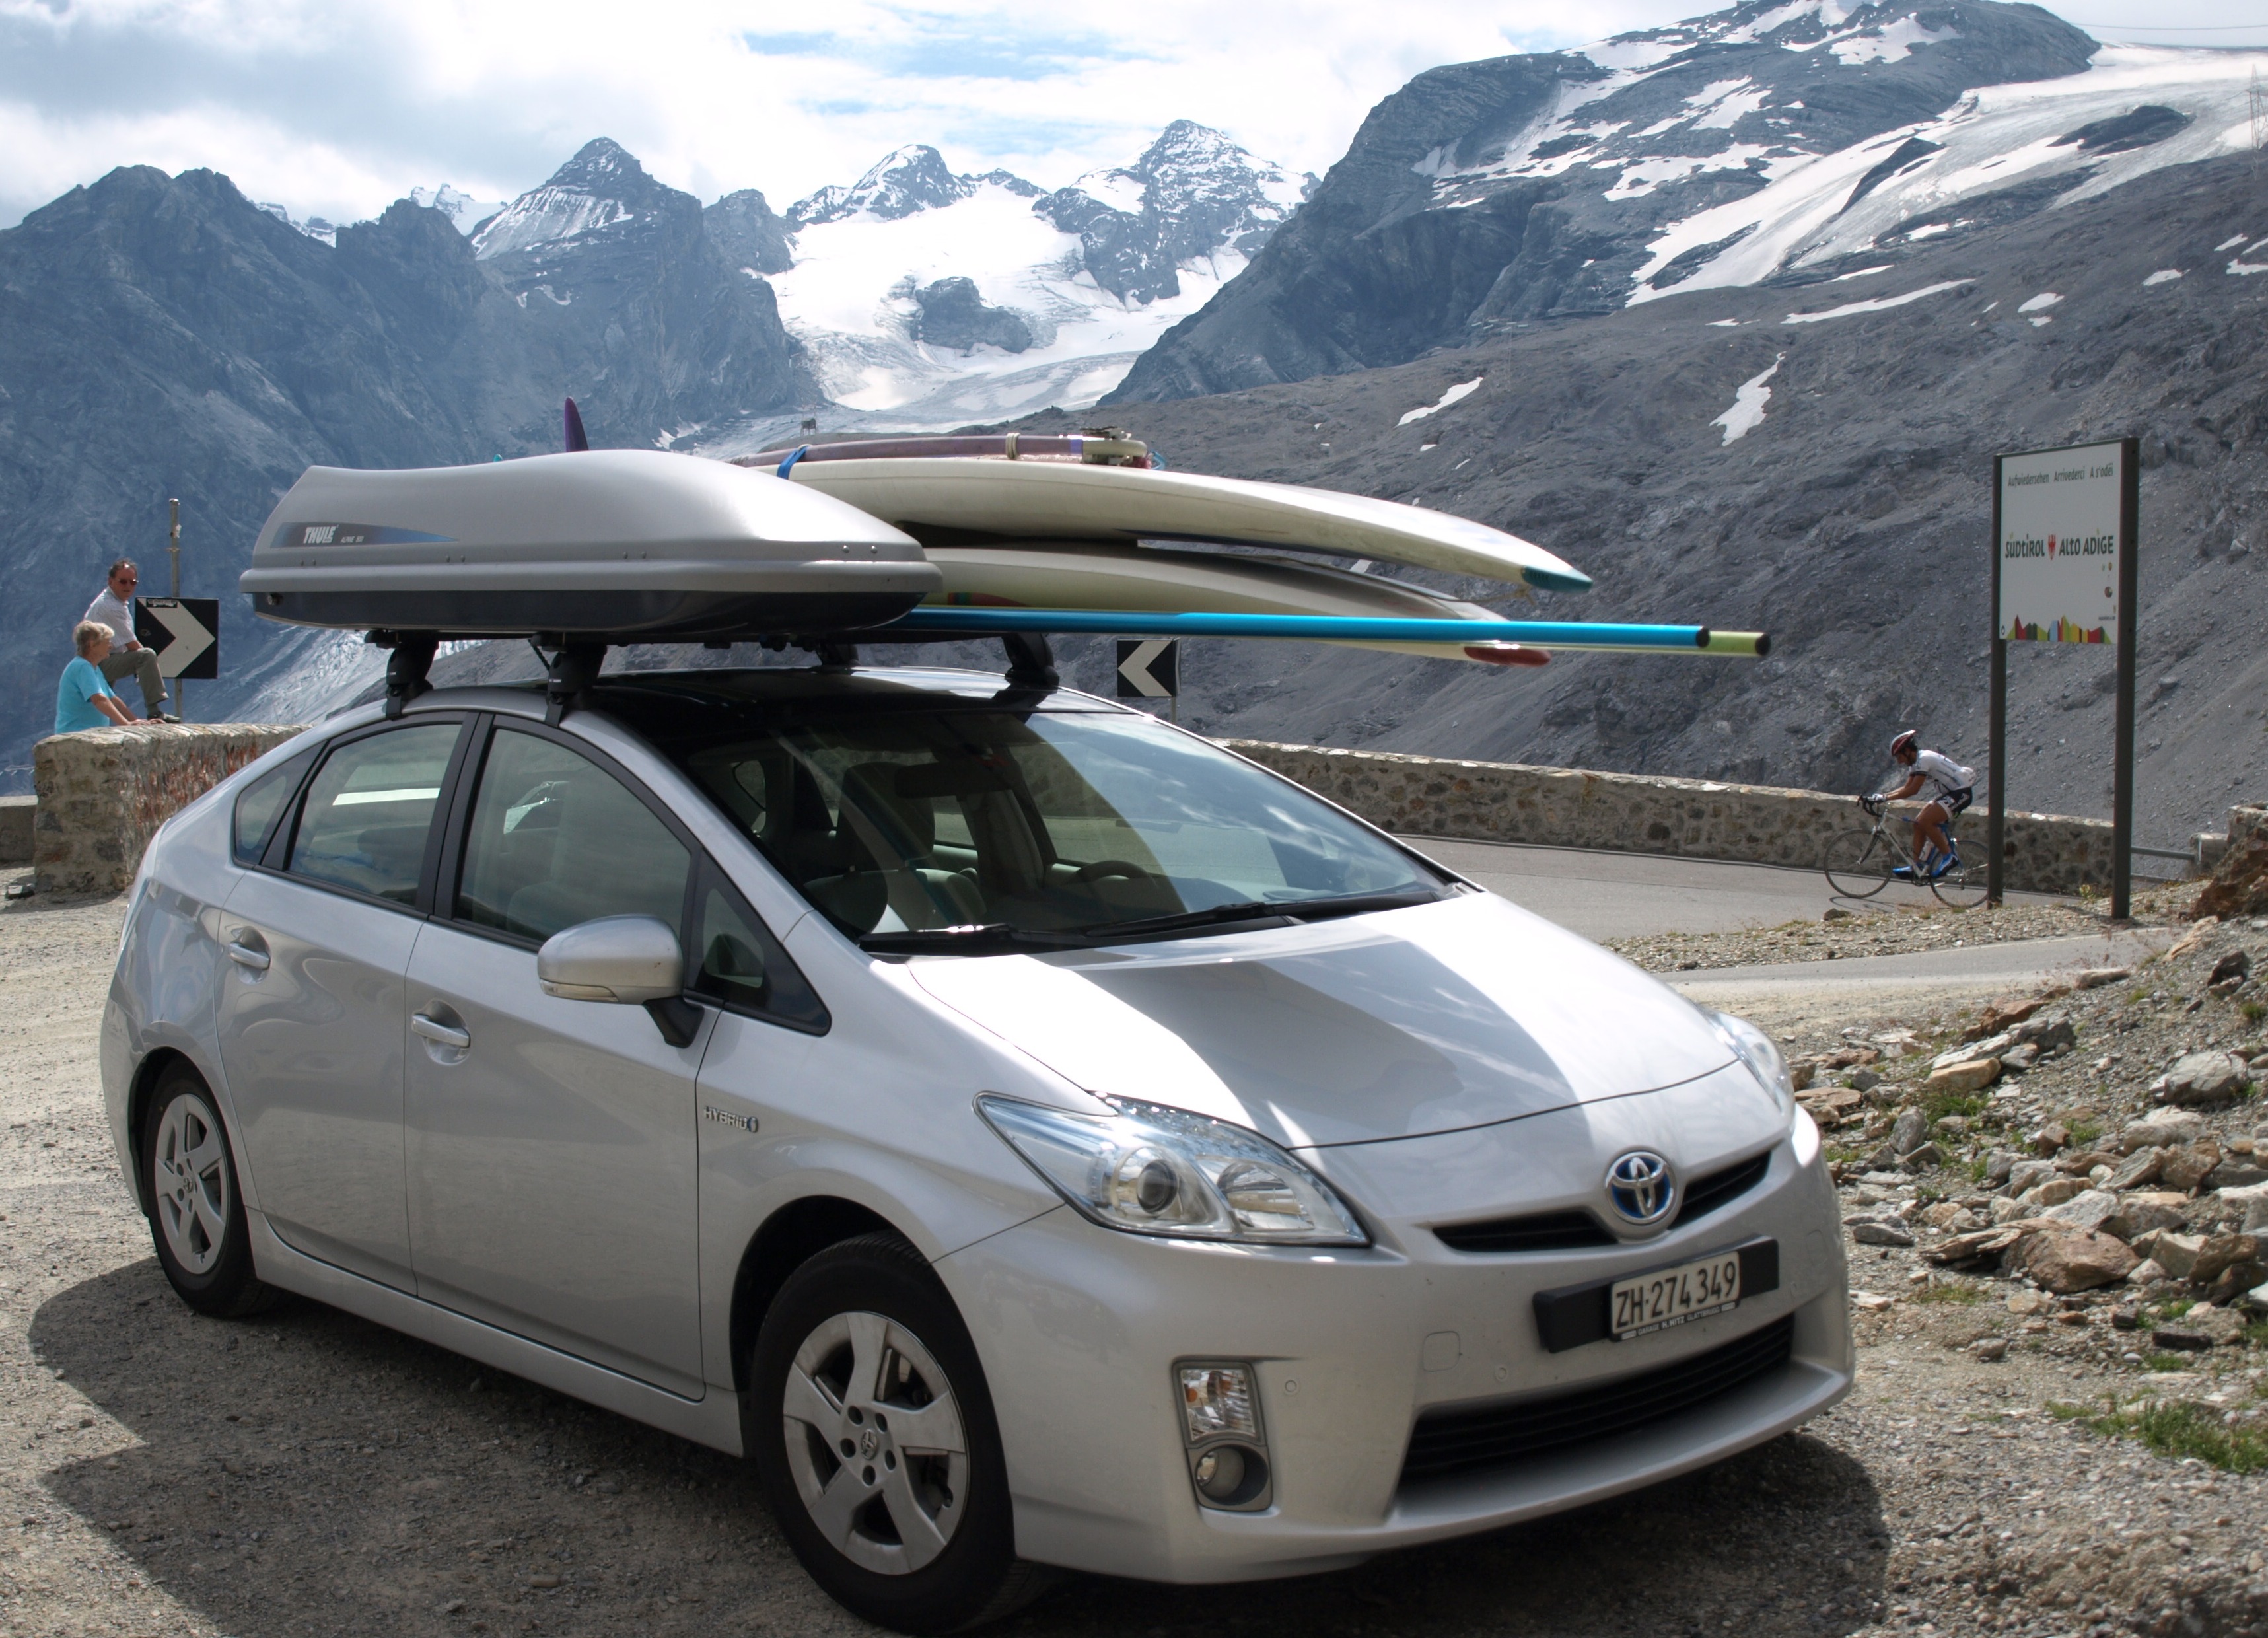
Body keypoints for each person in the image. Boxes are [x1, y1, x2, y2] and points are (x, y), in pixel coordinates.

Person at [1862, 729, 1975, 880]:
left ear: (1908, 751)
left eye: (1899, 756)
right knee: (1918, 823)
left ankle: (1949, 857)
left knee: (1925, 821)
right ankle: (1917, 866)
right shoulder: (1916, 763)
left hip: (1961, 793)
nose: (1899, 761)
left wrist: (1884, 798)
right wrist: (1884, 796)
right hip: (1952, 793)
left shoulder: (1924, 759)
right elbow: (1906, 788)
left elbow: (1913, 790)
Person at [82, 559, 176, 721]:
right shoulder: (109, 606)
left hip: (100, 660)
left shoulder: (115, 602)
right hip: (99, 662)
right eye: (123, 581)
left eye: (133, 582)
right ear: (110, 581)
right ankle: (154, 711)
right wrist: (146, 668)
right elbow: (133, 645)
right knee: (146, 656)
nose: (128, 586)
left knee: (99, 708)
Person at [56, 622, 138, 734]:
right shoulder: (82, 667)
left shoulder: (93, 668)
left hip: (88, 733)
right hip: (77, 733)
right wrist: (126, 724)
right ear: (92, 645)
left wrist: (135, 722)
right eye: (107, 642)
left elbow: (113, 700)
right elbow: (99, 700)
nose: (111, 646)